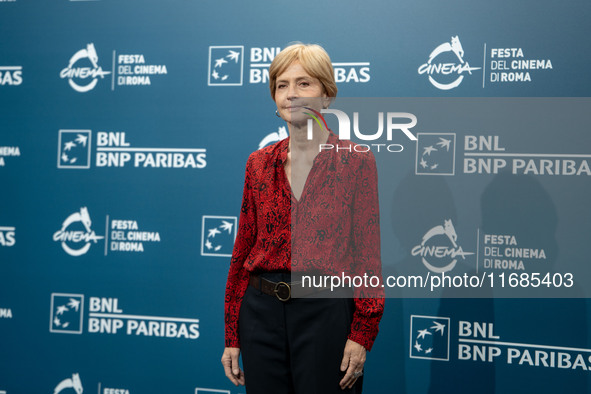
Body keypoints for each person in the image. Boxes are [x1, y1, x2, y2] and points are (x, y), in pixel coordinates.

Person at [221, 43, 384, 394]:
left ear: (327, 95)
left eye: (304, 83)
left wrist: (362, 333)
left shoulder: (355, 161)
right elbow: (242, 250)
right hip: (260, 315)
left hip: (325, 313)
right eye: (282, 85)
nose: (291, 94)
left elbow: (367, 257)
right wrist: (232, 334)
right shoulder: (258, 163)